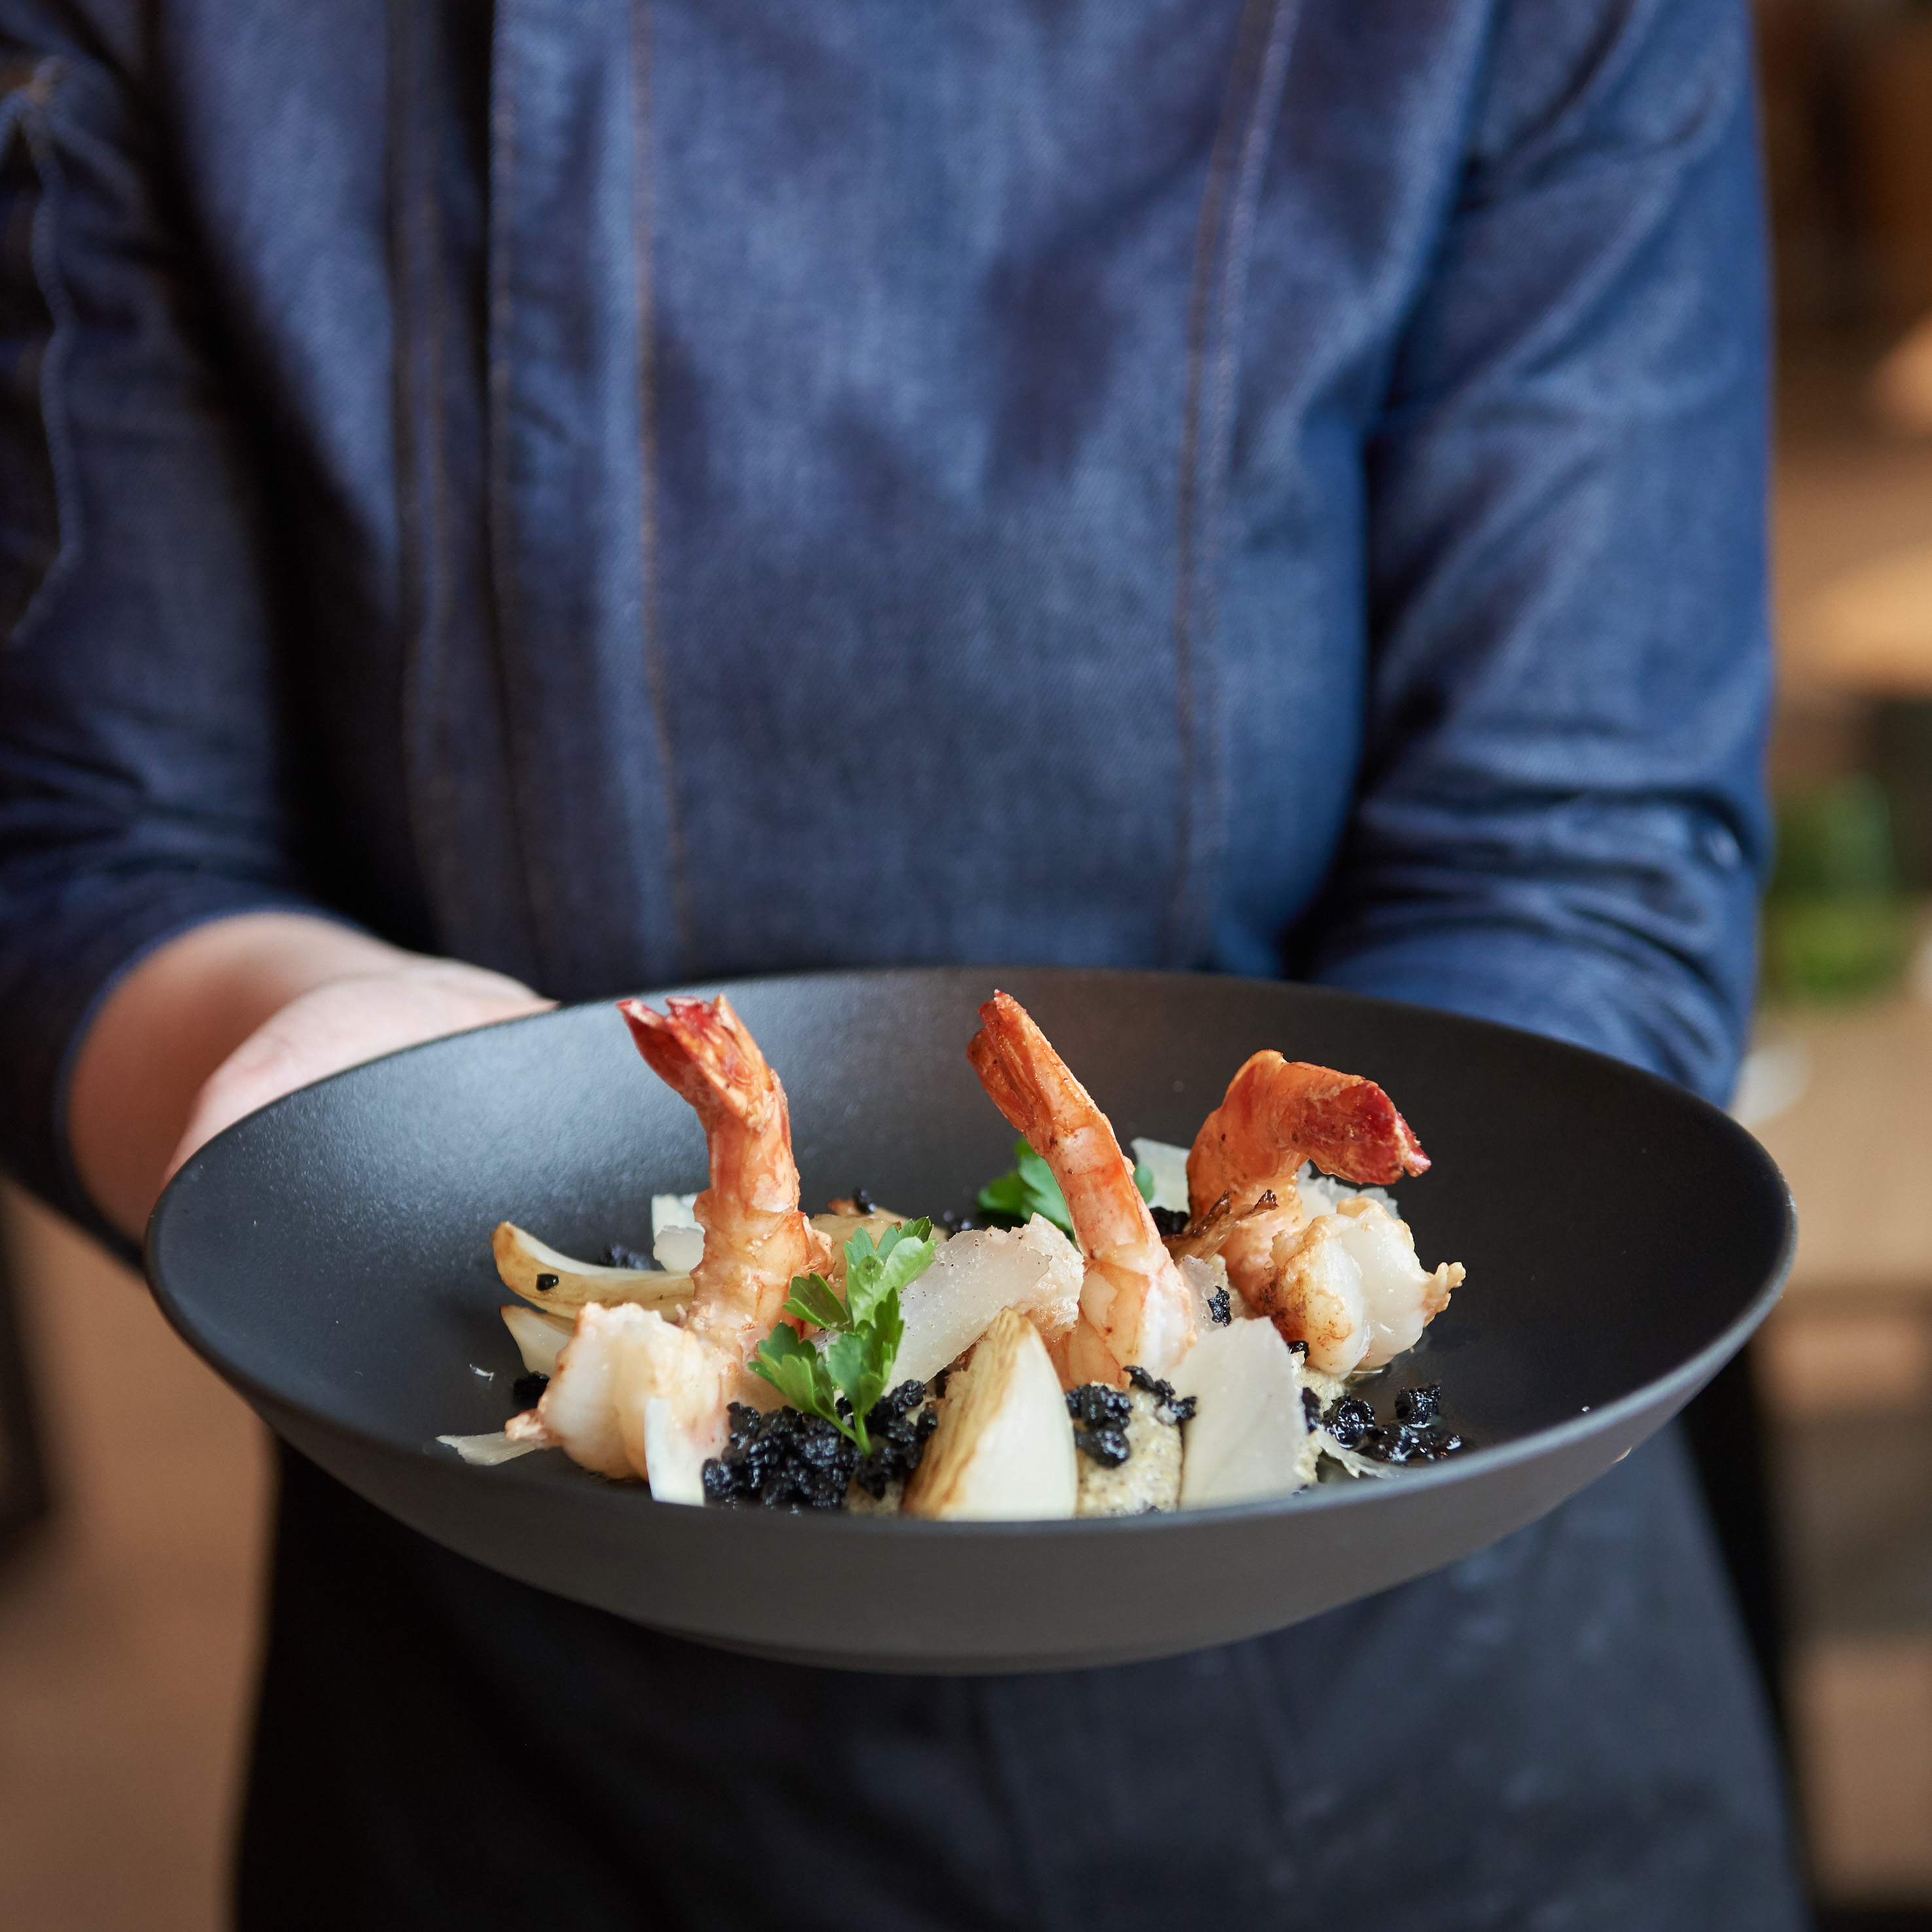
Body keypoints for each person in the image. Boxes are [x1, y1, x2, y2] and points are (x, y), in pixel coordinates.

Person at [0, 1, 1806, 1925]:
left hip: (1421, 1751)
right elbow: (86, 841)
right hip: (533, 1738)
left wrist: (1285, 1308)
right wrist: (308, 1076)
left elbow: (1577, 856)